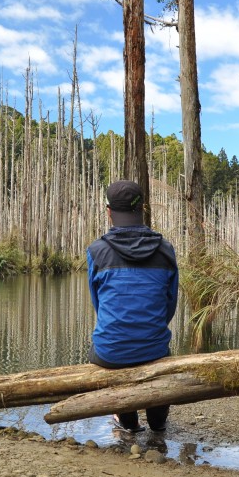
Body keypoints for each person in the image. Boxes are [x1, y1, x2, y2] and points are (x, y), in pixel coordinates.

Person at [86, 179, 178, 433]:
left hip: (110, 352)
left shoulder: (97, 251)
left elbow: (98, 303)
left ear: (109, 211)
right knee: (159, 351)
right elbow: (170, 305)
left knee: (104, 347)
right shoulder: (165, 249)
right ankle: (158, 424)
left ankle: (128, 422)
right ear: (142, 209)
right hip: (154, 347)